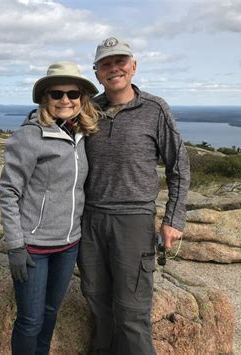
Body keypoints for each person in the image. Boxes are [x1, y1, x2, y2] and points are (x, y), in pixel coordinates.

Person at [77, 37, 191, 355]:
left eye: (120, 61)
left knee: (131, 312)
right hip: (90, 220)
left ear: (134, 66)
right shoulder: (88, 111)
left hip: (133, 220)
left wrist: (173, 218)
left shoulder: (155, 109)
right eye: (106, 64)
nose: (114, 68)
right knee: (96, 300)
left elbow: (178, 165)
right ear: (97, 72)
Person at [0, 61, 101, 355]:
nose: (65, 100)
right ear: (45, 98)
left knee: (52, 311)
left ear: (82, 98)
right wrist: (16, 246)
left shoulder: (82, 135)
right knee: (30, 320)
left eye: (73, 93)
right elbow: (7, 192)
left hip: (69, 245)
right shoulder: (30, 136)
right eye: (57, 94)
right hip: (34, 247)